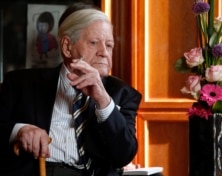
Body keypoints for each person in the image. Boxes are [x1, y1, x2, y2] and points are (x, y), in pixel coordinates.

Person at [0, 2, 142, 176]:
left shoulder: (123, 94)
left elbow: (124, 155)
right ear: (67, 46)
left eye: (109, 45)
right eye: (94, 43)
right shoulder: (20, 84)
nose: (104, 52)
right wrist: (20, 130)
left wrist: (103, 101)